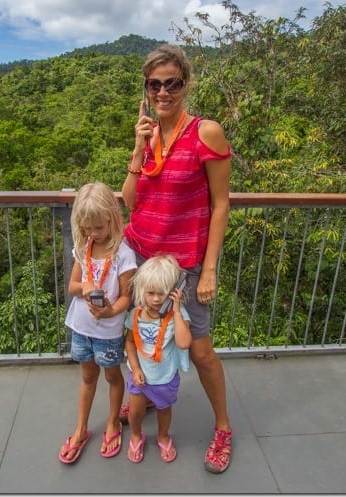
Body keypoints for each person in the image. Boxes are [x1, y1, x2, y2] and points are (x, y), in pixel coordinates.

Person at [121, 44, 234, 473]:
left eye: (172, 83)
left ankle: (223, 427)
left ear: (185, 85)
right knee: (143, 335)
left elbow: (220, 204)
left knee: (201, 349)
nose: (163, 91)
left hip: (183, 263)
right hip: (143, 258)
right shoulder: (149, 135)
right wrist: (137, 149)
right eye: (155, 84)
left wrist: (208, 270)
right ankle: (148, 397)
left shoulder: (205, 132)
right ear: (147, 89)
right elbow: (130, 202)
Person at [58, 182, 137, 464]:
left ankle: (113, 422)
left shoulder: (123, 254)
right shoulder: (84, 247)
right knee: (88, 376)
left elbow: (127, 297)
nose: (92, 234)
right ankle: (81, 428)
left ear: (112, 220)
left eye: (98, 228)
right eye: (87, 228)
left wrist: (111, 311)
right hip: (81, 328)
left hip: (108, 331)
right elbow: (72, 286)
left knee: (112, 376)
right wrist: (85, 286)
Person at [123, 255, 192, 464]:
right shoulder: (136, 314)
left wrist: (177, 311)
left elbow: (183, 343)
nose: (155, 299)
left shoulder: (177, 316)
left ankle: (163, 435)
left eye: (161, 294)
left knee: (164, 410)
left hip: (164, 377)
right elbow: (130, 343)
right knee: (135, 411)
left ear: (173, 292)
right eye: (150, 293)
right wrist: (135, 368)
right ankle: (136, 435)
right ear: (142, 291)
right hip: (140, 375)